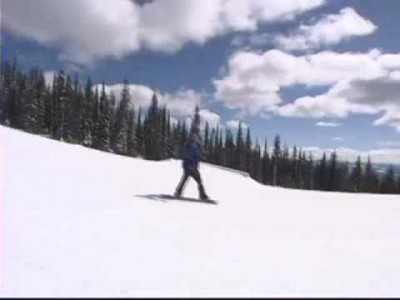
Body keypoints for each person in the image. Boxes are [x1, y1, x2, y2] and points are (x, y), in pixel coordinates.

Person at [174, 117, 209, 200]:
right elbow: (190, 152)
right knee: (198, 180)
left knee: (186, 179)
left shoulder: (195, 140)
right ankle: (202, 195)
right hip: (190, 164)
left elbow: (195, 152)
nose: (198, 132)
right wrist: (193, 160)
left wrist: (201, 155)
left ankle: (178, 192)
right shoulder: (192, 140)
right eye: (197, 130)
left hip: (190, 164)